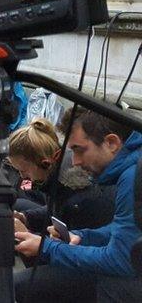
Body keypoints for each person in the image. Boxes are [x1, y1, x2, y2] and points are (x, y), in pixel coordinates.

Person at [14, 111, 142, 302]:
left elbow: (121, 260)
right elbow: (126, 230)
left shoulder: (133, 176)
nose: (74, 161)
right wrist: (82, 236)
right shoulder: (131, 169)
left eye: (79, 150)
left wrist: (47, 248)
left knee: (23, 286)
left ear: (112, 143)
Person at [10, 117, 114, 235]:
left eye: (24, 171)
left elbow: (72, 246)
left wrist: (27, 234)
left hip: (88, 241)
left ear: (45, 163)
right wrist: (26, 218)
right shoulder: (59, 169)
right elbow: (56, 211)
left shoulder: (78, 198)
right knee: (19, 204)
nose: (22, 177)